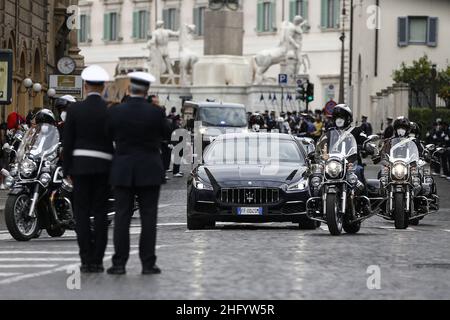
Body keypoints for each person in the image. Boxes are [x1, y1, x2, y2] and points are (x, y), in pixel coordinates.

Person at [106, 72, 168, 275]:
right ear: (147, 91)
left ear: (129, 89)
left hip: (123, 169)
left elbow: (108, 136)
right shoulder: (156, 112)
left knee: (122, 217)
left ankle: (119, 263)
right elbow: (167, 134)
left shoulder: (116, 111)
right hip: (149, 169)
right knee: (149, 218)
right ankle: (148, 263)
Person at [63, 65, 113, 274]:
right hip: (103, 167)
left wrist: (67, 170)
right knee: (101, 213)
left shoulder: (74, 110)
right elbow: (113, 141)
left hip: (80, 167)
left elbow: (68, 142)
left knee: (81, 213)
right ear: (102, 87)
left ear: (85, 86)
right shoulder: (109, 110)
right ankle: (98, 260)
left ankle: (86, 260)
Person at [316, 104, 367, 184]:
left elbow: (365, 140)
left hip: (351, 163)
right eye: (337, 117)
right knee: (317, 175)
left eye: (342, 117)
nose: (339, 120)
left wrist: (367, 146)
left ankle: (363, 195)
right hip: (332, 163)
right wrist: (316, 151)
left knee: (358, 171)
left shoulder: (357, 130)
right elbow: (322, 143)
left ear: (348, 118)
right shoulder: (329, 132)